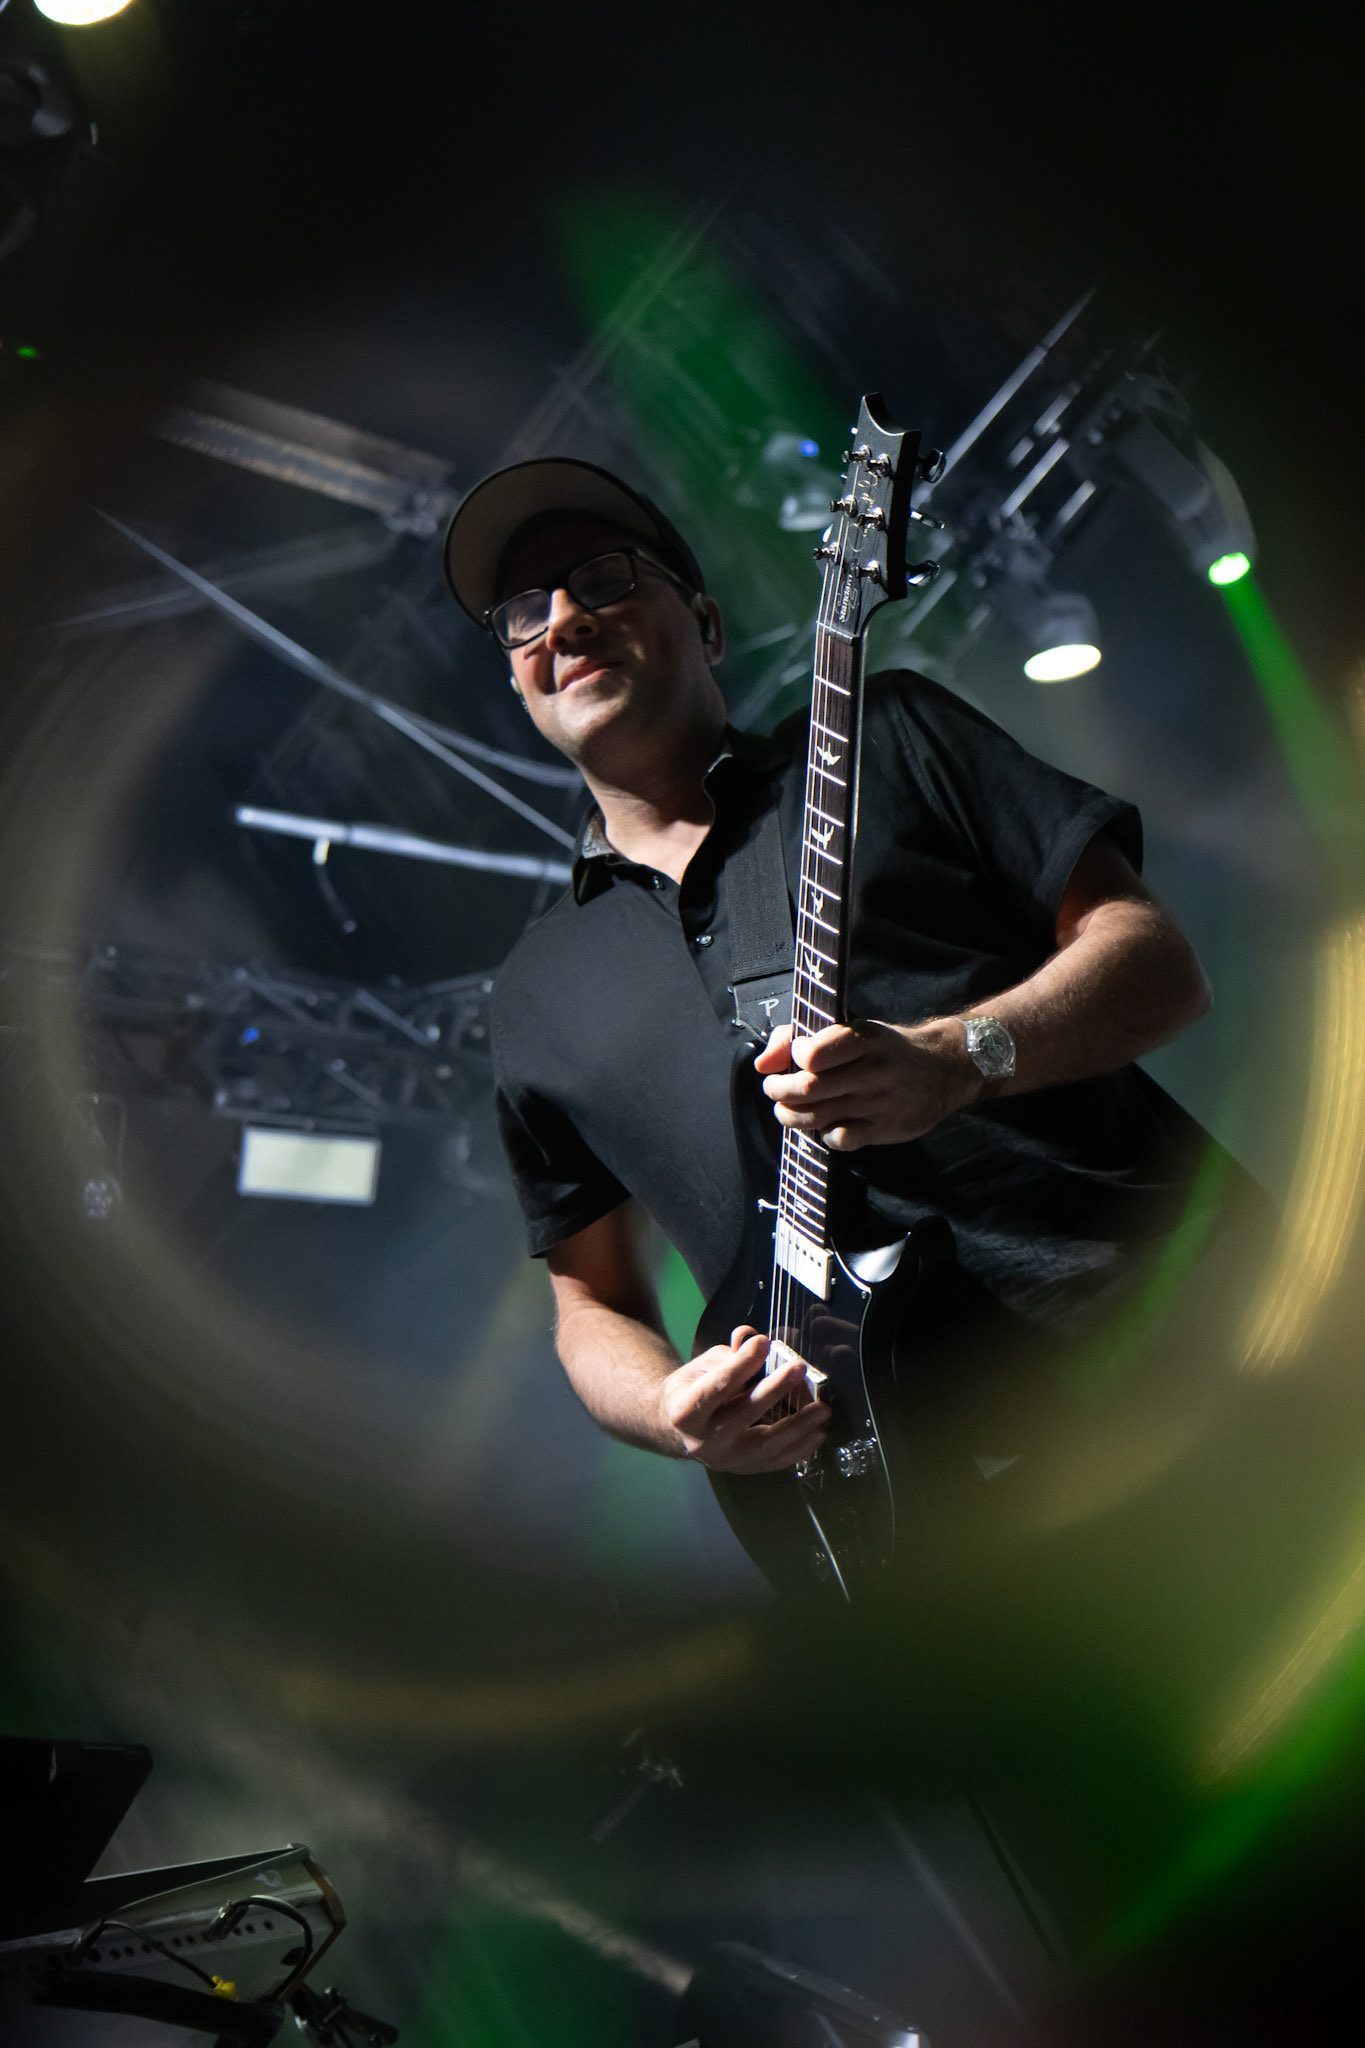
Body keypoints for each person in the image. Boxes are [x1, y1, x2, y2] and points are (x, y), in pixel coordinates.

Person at [443, 457, 1218, 1497]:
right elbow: (591, 1303)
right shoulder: (536, 992)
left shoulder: (886, 737)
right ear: (515, 678)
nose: (564, 621)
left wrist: (959, 1058)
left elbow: (1158, 960)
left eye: (605, 578)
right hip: (907, 1500)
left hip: (1176, 1342)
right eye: (522, 613)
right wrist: (670, 1410)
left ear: (706, 625)